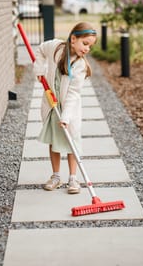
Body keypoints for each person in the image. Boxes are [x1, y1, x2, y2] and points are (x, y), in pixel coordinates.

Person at [33, 21, 97, 194]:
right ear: (73, 38)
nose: (87, 49)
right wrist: (39, 69)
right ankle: (55, 176)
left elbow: (73, 94)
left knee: (71, 142)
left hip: (69, 111)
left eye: (90, 46)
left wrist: (66, 116)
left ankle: (73, 178)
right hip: (51, 105)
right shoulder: (55, 47)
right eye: (85, 44)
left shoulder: (81, 66)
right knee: (54, 141)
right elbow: (40, 49)